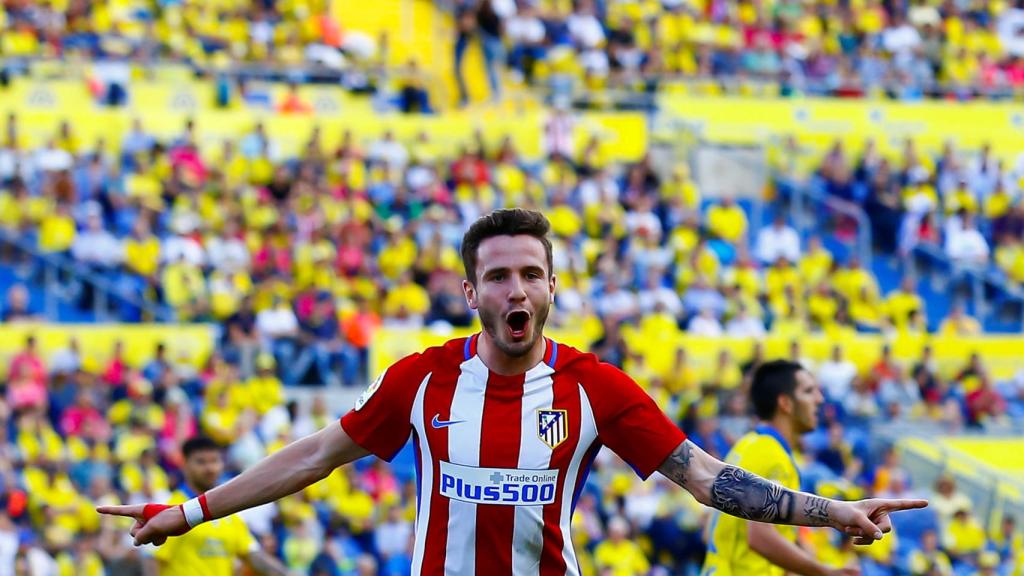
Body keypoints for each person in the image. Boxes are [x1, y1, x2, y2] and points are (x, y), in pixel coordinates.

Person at [100, 209, 927, 575]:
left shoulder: (596, 386)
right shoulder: (423, 377)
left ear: (552, 286)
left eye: (531, 273)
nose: (515, 289)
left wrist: (835, 511)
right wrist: (192, 510)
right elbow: (318, 455)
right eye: (497, 276)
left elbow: (707, 478)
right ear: (472, 293)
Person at [701, 360, 860, 576]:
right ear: (785, 403)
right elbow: (758, 535)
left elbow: (713, 530)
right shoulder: (772, 456)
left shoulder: (748, 445)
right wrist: (823, 572)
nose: (819, 399)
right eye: (808, 391)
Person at [143, 436, 292, 576]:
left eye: (214, 461)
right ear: (185, 464)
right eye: (201, 462)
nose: (210, 468)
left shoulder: (228, 511)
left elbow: (253, 555)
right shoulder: (172, 510)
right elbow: (151, 560)